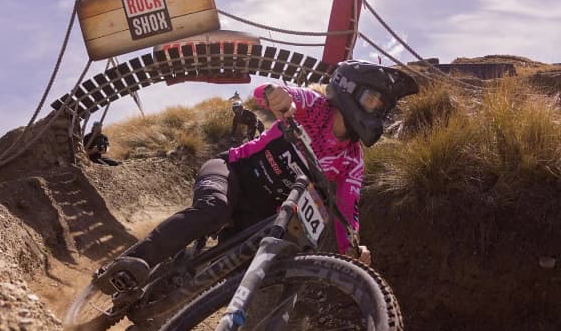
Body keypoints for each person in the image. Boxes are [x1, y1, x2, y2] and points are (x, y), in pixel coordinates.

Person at [113, 60, 419, 286]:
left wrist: (352, 249)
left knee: (234, 268)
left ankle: (160, 306)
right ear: (349, 88)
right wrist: (276, 95)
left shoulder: (353, 161)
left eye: (381, 108)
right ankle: (129, 266)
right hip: (232, 171)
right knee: (214, 209)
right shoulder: (314, 106)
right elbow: (268, 93)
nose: (375, 112)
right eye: (371, 100)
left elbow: (347, 211)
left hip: (258, 214)